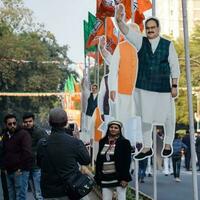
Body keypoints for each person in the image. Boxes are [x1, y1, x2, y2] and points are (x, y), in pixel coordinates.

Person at [115, 4, 180, 160]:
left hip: (163, 87)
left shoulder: (168, 44)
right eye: (148, 28)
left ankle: (168, 144)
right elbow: (126, 31)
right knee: (145, 118)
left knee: (168, 117)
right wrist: (118, 19)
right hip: (144, 86)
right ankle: (146, 146)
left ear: (158, 29)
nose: (150, 30)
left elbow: (174, 65)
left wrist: (175, 85)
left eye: (153, 27)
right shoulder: (140, 41)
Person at [37, 107, 91, 199]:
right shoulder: (74, 142)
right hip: (70, 190)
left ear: (49, 122)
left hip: (49, 191)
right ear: (66, 122)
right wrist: (78, 140)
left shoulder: (42, 143)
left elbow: (39, 164)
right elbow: (86, 160)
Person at [94, 120, 132, 200]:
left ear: (119, 130)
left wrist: (125, 178)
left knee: (121, 198)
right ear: (108, 129)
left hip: (119, 177)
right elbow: (99, 159)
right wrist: (97, 176)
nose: (113, 129)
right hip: (105, 177)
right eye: (111, 127)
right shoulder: (102, 141)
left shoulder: (125, 142)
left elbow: (127, 161)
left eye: (116, 128)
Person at [2, 114, 33, 200]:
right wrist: (4, 167)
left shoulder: (23, 134)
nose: (12, 125)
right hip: (8, 171)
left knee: (20, 196)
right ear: (6, 125)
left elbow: (27, 153)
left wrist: (20, 168)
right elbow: (4, 152)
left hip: (20, 171)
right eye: (10, 124)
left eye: (14, 123)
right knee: (11, 196)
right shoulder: (5, 135)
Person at [22, 112, 47, 200]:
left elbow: (45, 147)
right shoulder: (21, 132)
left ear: (33, 121)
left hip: (36, 166)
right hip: (24, 166)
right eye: (26, 122)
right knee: (25, 192)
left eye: (30, 121)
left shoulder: (39, 131)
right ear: (23, 122)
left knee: (38, 193)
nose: (28, 123)